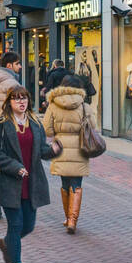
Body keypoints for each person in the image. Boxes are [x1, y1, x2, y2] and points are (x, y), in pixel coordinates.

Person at [0, 85, 58, 263]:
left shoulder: (35, 124)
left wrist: (55, 149)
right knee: (15, 224)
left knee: (28, 225)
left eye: (24, 98)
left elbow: (41, 151)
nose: (21, 102)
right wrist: (15, 167)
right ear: (9, 102)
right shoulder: (1, 124)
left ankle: (7, 244)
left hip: (32, 182)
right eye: (16, 99)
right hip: (11, 182)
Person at [42, 75, 97, 234]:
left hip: (60, 148)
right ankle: (73, 220)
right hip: (80, 149)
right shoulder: (84, 106)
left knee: (65, 184)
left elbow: (47, 130)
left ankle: (67, 218)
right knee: (77, 185)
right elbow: (93, 127)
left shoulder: (53, 105)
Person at [0, 51, 23, 121]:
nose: (20, 66)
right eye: (17, 64)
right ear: (9, 65)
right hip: (7, 121)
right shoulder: (12, 83)